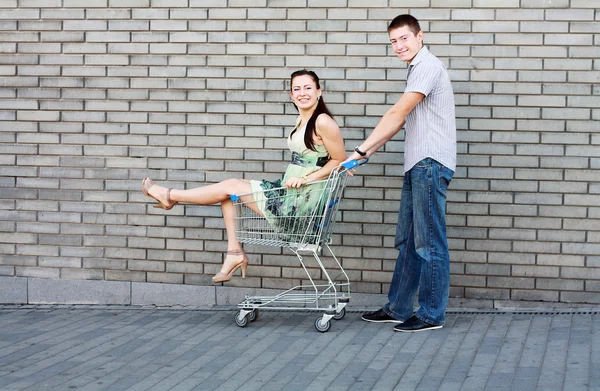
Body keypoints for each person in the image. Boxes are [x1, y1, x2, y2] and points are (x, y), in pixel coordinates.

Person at [142, 70, 345, 283]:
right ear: (290, 95)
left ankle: (170, 195)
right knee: (231, 191)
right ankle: (234, 253)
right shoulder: (301, 120)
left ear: (319, 91)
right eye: (297, 89)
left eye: (308, 88)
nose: (302, 93)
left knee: (231, 186)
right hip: (290, 190)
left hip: (300, 203)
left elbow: (338, 160)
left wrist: (306, 179)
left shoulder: (322, 121)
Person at [345, 14, 456, 332]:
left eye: (404, 38)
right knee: (410, 241)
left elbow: (396, 113)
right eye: (393, 41)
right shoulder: (416, 70)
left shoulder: (427, 66)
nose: (398, 45)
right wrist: (361, 157)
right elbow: (398, 122)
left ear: (420, 36)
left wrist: (360, 152)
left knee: (430, 242)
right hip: (418, 165)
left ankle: (432, 314)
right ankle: (399, 307)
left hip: (430, 164)